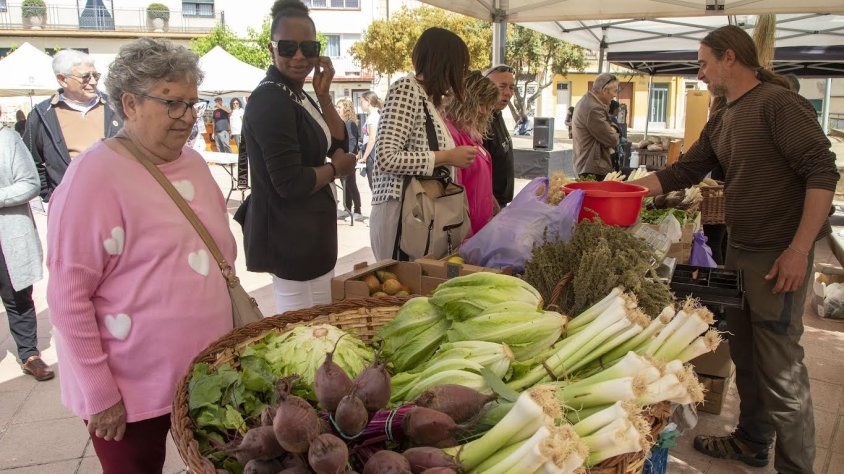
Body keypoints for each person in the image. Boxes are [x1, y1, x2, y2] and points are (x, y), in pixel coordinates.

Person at [632, 25, 837, 474]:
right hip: (741, 250)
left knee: (781, 369)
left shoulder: (779, 105)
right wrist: (625, 193)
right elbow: (687, 168)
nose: (699, 72)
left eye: (704, 62)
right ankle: (753, 440)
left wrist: (799, 251)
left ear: (730, 58)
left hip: (778, 254)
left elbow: (823, 172)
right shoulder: (724, 115)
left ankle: (796, 467)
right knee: (745, 353)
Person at [45, 38, 237, 473]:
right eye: (172, 104)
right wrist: (100, 393)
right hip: (128, 392)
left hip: (205, 377)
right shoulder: (93, 177)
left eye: (193, 103)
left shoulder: (194, 165)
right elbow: (68, 298)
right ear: (129, 104)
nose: (187, 117)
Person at [235, 0, 356, 314]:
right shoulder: (272, 99)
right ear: (271, 49)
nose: (300, 56)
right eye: (288, 47)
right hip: (293, 243)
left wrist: (325, 95)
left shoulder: (297, 93)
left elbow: (338, 140)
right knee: (306, 339)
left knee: (317, 335)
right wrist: (335, 169)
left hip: (311, 239)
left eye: (309, 47)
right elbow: (290, 182)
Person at [369, 27, 476, 261]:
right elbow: (386, 157)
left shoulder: (428, 99)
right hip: (404, 215)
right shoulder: (406, 89)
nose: (461, 73)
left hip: (419, 216)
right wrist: (447, 157)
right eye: (460, 66)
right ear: (445, 62)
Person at [23, 49, 122, 208]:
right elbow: (30, 161)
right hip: (69, 204)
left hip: (118, 200)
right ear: (63, 79)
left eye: (95, 76)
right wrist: (51, 194)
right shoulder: (42, 114)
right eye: (85, 77)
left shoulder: (116, 107)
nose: (93, 82)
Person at [0, 114, 52, 382]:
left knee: (17, 296)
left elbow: (31, 183)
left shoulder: (7, 139)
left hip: (7, 235)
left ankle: (29, 354)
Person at [445, 71, 499, 237]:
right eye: (479, 103)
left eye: (487, 105)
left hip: (481, 230)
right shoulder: (451, 134)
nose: (483, 111)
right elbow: (454, 187)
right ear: (464, 101)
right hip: (466, 232)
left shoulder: (469, 133)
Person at [572, 73, 620, 181]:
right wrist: (615, 129)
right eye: (614, 91)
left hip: (586, 165)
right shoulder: (593, 108)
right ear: (604, 90)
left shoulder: (587, 101)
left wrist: (611, 127)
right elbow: (612, 139)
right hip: (592, 168)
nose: (615, 95)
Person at [482, 64, 515, 208]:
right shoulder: (481, 121)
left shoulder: (498, 114)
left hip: (501, 204)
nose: (508, 92)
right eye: (502, 86)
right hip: (490, 207)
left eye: (512, 87)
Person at [336, 97, 365, 221]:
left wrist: (348, 156)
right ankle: (347, 209)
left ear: (346, 110)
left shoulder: (350, 123)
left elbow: (353, 141)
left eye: (339, 107)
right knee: (345, 184)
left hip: (349, 159)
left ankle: (357, 210)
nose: (337, 109)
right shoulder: (343, 123)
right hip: (344, 158)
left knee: (351, 184)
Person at [359, 90, 382, 189]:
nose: (360, 104)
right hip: (372, 155)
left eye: (361, 102)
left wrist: (364, 157)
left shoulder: (373, 117)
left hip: (373, 157)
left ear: (368, 102)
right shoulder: (374, 115)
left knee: (374, 186)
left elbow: (372, 139)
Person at [608, 99, 627, 171]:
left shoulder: (609, 118)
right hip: (613, 149)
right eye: (617, 108)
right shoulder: (612, 119)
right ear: (613, 109)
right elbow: (618, 134)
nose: (618, 110)